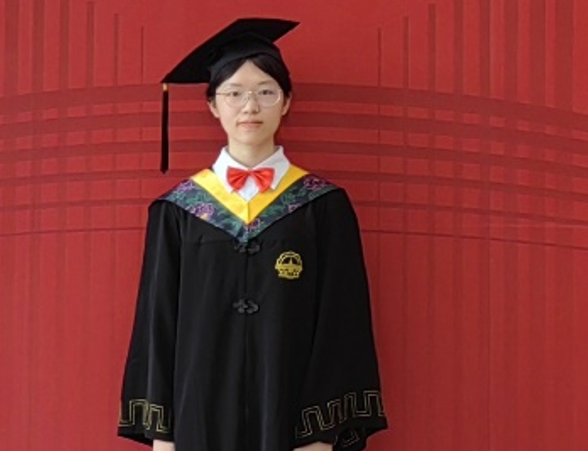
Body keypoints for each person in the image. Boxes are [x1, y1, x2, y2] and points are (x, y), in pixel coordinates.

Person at [118, 17, 388, 451]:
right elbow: (157, 326)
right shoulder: (178, 210)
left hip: (290, 418)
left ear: (286, 102)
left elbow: (342, 325)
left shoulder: (323, 205)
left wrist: (321, 434)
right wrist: (162, 436)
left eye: (266, 92)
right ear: (212, 104)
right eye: (234, 93)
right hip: (198, 417)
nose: (250, 107)